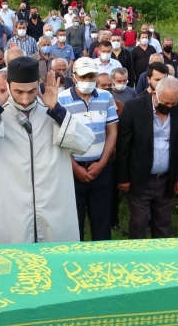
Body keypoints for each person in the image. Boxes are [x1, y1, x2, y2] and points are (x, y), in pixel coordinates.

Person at [0, 57, 95, 244]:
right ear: (8, 85)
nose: (25, 99)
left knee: (54, 264)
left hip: (53, 207)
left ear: (39, 85)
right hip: (9, 209)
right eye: (18, 91)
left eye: (31, 91)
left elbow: (85, 142)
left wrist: (56, 109)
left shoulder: (52, 111)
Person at [117, 77, 178, 239]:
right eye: (166, 103)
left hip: (167, 179)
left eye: (174, 103)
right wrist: (123, 177)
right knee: (138, 223)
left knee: (163, 223)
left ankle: (161, 258)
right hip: (140, 177)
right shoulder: (134, 107)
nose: (170, 107)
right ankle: (138, 259)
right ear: (154, 94)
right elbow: (123, 146)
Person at [58, 58, 118, 241]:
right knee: (73, 222)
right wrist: (75, 167)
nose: (88, 80)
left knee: (102, 221)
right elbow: (57, 139)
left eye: (92, 76)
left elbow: (112, 131)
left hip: (101, 169)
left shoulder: (106, 97)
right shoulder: (61, 100)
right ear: (74, 76)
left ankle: (102, 261)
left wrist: (102, 162)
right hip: (71, 170)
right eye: (84, 76)